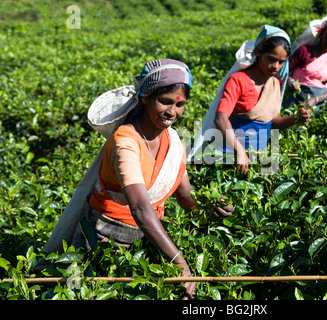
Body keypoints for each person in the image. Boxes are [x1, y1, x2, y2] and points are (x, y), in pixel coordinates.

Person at [40, 59, 234, 300]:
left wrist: (211, 211)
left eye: (180, 104)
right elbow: (140, 208)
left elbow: (185, 199)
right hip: (103, 239)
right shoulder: (126, 142)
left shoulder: (173, 142)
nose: (172, 112)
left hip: (148, 238)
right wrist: (179, 262)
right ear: (145, 98)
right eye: (164, 102)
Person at [188, 25, 309, 174]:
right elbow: (220, 118)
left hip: (257, 158)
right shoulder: (238, 80)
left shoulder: (274, 84)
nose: (275, 66)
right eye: (271, 59)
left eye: (281, 62)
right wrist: (239, 151)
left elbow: (271, 123)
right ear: (258, 52)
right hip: (228, 157)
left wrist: (296, 118)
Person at [283, 16, 327, 111]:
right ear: (321, 34)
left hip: (317, 104)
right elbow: (284, 71)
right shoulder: (305, 51)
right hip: (294, 98)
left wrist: (316, 100)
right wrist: (289, 80)